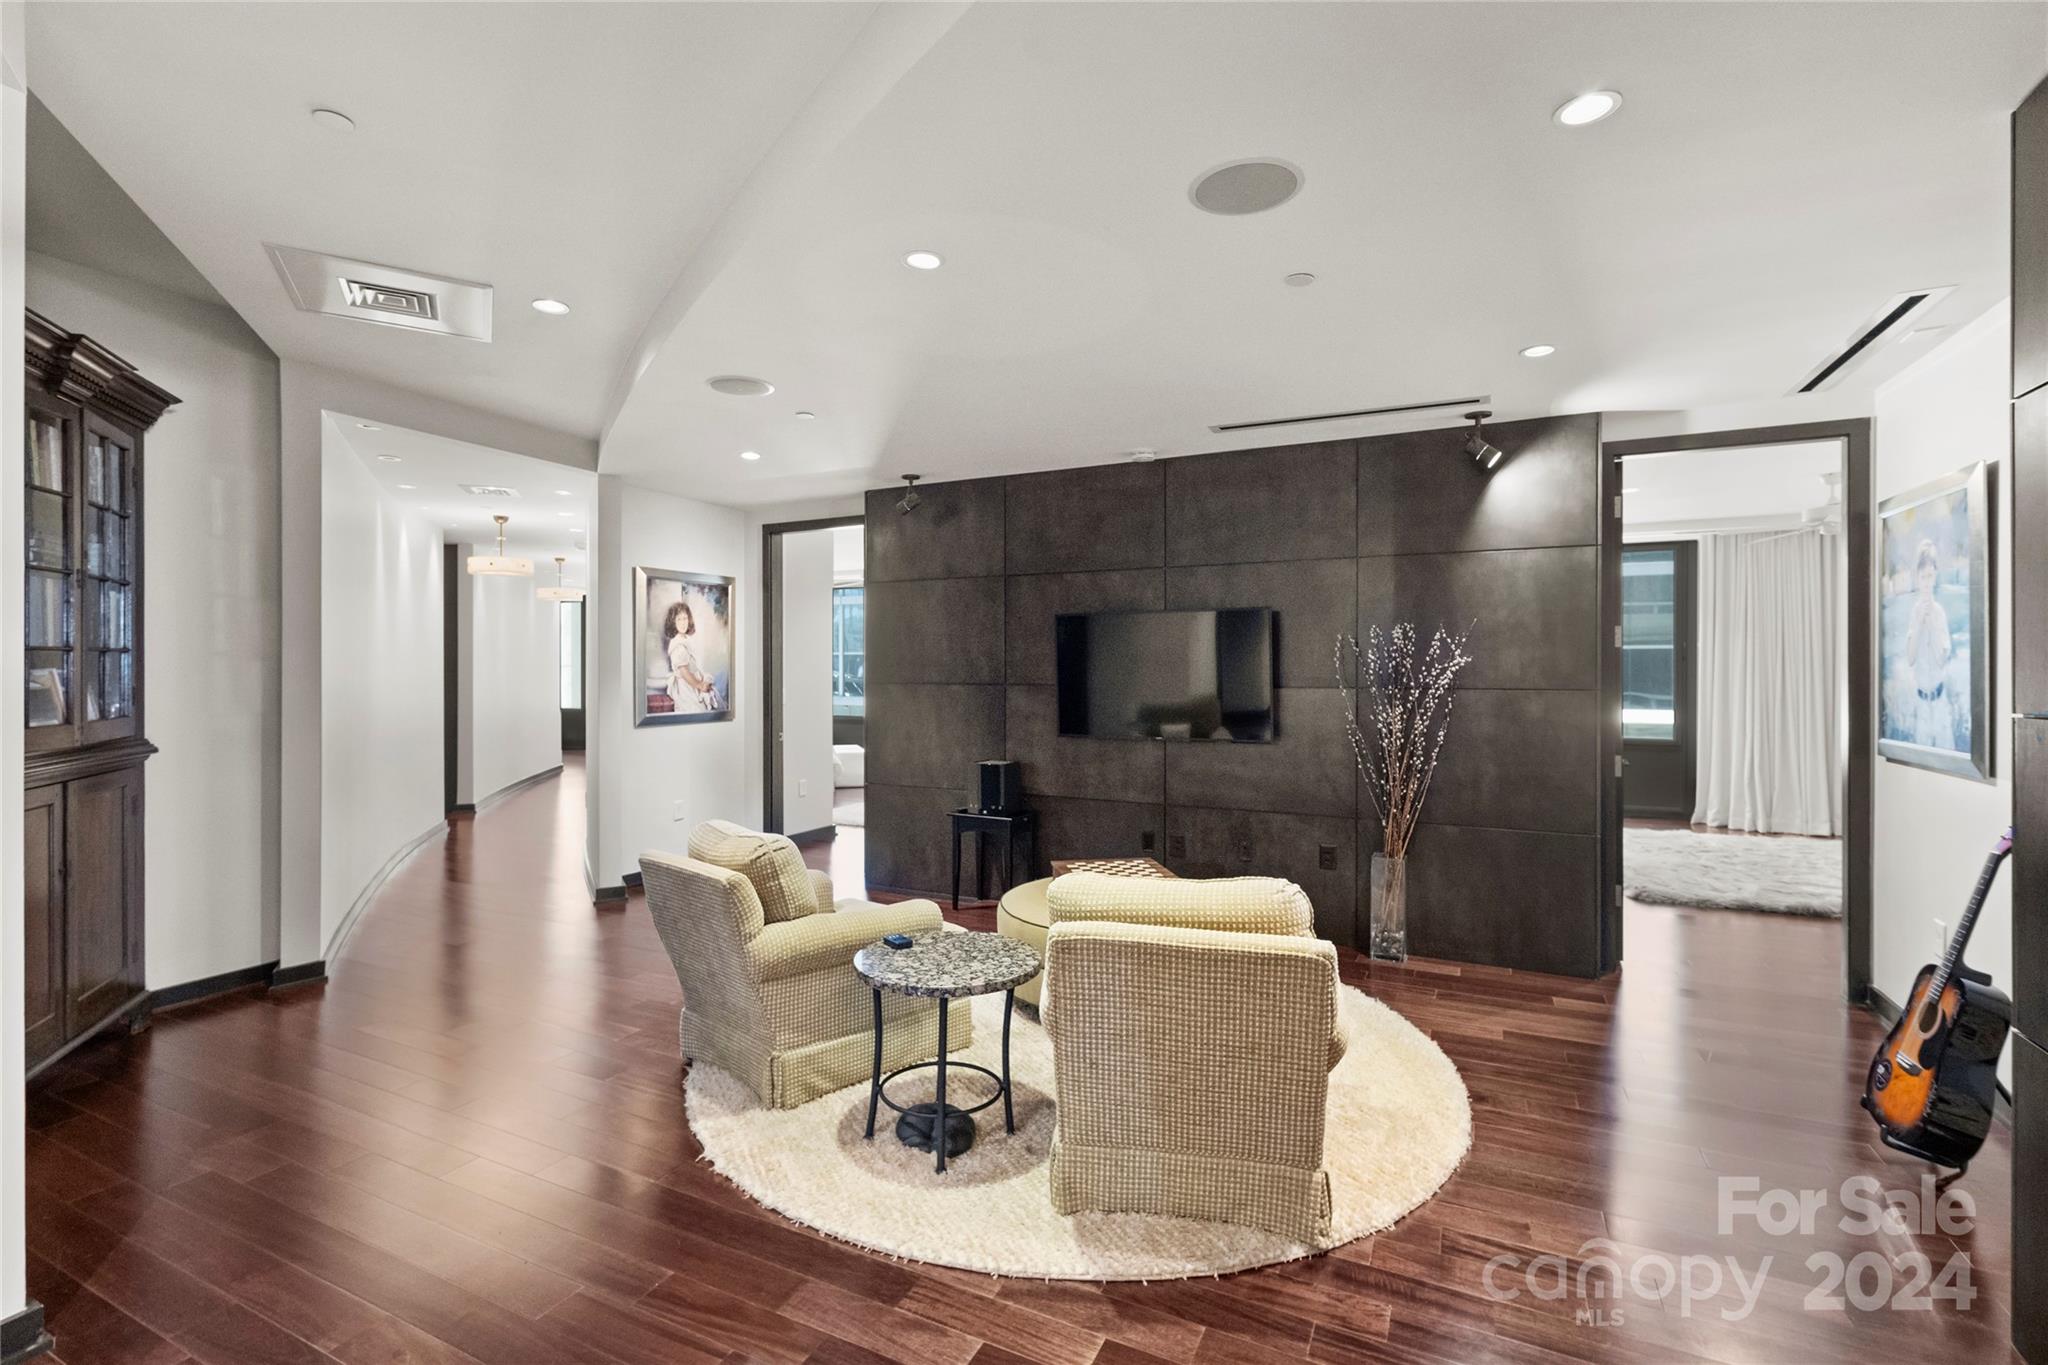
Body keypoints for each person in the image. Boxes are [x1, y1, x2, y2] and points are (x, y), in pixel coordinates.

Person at [1904, 537, 1955, 750]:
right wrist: (1917, 626)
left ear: (1935, 576)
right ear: (1917, 578)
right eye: (1922, 576)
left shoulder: (1940, 613)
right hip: (1921, 704)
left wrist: (1932, 625)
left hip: (1940, 701)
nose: (1926, 582)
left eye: (1930, 576)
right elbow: (1910, 658)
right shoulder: (1914, 613)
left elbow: (1942, 660)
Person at [663, 599, 717, 713]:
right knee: (693, 709)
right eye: (679, 619)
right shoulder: (677, 645)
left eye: (685, 618)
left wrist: (702, 678)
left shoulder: (686, 639)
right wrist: (699, 685)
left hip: (693, 681)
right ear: (673, 622)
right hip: (686, 685)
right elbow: (684, 672)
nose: (683, 623)